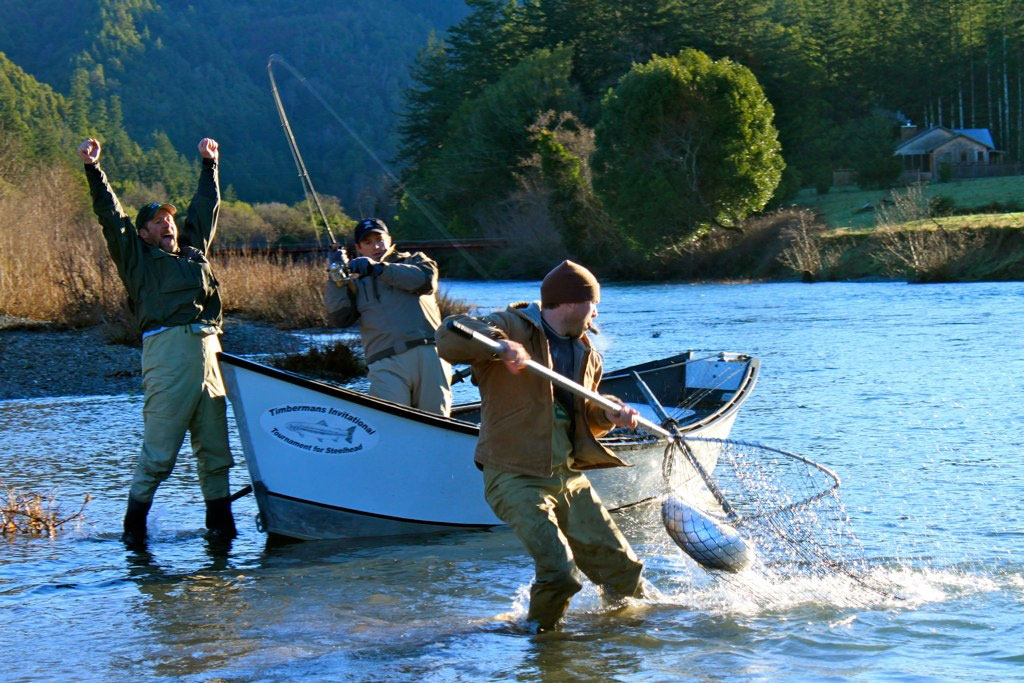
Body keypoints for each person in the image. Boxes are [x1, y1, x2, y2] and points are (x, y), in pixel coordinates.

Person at [435, 260, 645, 632]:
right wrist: (499, 345)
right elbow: (450, 334)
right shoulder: (514, 324)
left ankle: (621, 638)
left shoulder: (587, 352)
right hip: (514, 475)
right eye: (593, 303)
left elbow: (585, 416)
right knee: (560, 573)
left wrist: (608, 416)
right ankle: (541, 643)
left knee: (624, 572)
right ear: (571, 303)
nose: (596, 312)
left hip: (567, 476)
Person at [77, 137, 237, 547]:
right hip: (168, 355)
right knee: (160, 454)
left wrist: (209, 165)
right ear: (144, 233)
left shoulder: (194, 252)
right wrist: (95, 171)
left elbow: (206, 209)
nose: (167, 223)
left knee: (217, 455)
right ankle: (133, 533)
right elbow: (111, 217)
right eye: (158, 221)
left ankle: (222, 532)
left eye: (170, 218)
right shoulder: (136, 258)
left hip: (210, 353)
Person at [324, 217, 452, 416]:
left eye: (379, 239)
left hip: (430, 355)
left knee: (437, 422)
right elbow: (339, 318)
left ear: (390, 240)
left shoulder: (415, 260)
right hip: (384, 362)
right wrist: (335, 275)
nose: (376, 246)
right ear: (358, 248)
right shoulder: (353, 282)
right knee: (392, 423)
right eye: (368, 242)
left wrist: (378, 269)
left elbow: (425, 282)